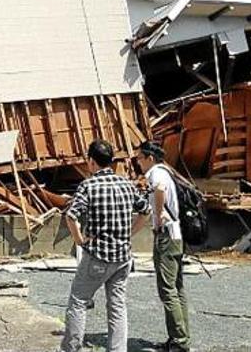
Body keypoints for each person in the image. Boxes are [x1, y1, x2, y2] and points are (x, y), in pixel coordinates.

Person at [60, 140, 150, 352]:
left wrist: (79, 240)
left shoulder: (88, 186)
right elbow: (146, 211)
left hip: (98, 256)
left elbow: (71, 216)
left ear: (91, 161)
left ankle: (71, 348)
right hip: (123, 257)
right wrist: (130, 233)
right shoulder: (126, 184)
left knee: (78, 302)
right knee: (117, 306)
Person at [136, 141, 190, 352]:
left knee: (167, 289)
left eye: (140, 158)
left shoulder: (156, 173)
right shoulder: (167, 172)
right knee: (177, 288)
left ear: (150, 158)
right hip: (176, 234)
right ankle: (180, 338)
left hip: (166, 235)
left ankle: (179, 341)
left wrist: (158, 217)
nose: (138, 162)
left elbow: (159, 190)